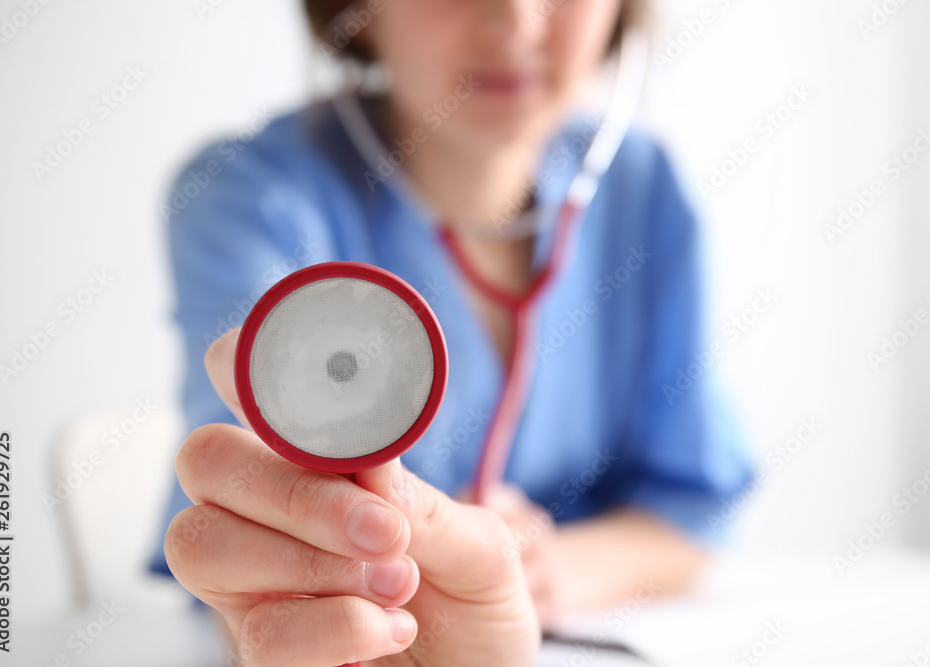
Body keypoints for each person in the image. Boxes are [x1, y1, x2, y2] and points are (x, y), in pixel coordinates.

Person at [150, 0, 754, 665]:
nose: (518, 22)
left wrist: (544, 571)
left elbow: (692, 510)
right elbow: (262, 534)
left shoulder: (643, 191)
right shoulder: (248, 199)